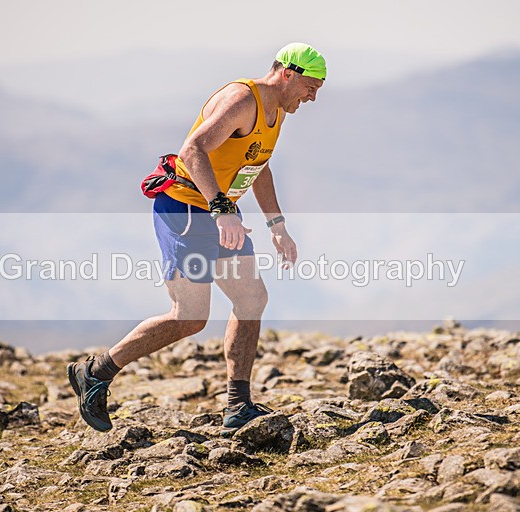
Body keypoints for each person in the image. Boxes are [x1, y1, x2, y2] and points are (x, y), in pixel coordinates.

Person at [68, 43, 326, 432]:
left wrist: (277, 226)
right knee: (189, 317)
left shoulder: (276, 111)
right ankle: (97, 371)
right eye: (311, 85)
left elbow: (259, 166)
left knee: (251, 298)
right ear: (287, 73)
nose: (313, 96)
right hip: (187, 210)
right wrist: (222, 209)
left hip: (219, 213)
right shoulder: (243, 100)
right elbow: (193, 150)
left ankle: (238, 407)